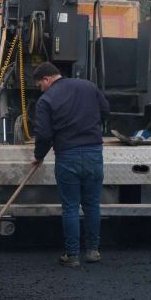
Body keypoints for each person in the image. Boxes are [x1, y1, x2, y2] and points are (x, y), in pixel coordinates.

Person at [31, 62, 110, 267]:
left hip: (67, 156)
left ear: (47, 79)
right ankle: (93, 251)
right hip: (94, 153)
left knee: (71, 207)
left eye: (40, 85)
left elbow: (44, 135)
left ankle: (72, 255)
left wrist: (38, 156)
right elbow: (106, 111)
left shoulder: (46, 100)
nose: (41, 89)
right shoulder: (88, 86)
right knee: (92, 204)